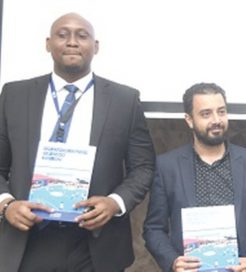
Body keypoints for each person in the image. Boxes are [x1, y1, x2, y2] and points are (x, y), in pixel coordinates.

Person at [0, 13, 155, 271]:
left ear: (95, 46)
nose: (72, 42)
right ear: (48, 44)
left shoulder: (124, 100)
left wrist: (114, 203)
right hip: (27, 240)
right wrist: (6, 205)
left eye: (82, 35)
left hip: (95, 245)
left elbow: (144, 167)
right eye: (63, 35)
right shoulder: (14, 95)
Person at [143, 83, 246, 272]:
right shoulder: (168, 166)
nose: (216, 120)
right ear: (189, 120)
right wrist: (173, 261)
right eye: (206, 114)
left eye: (221, 112)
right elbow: (154, 228)